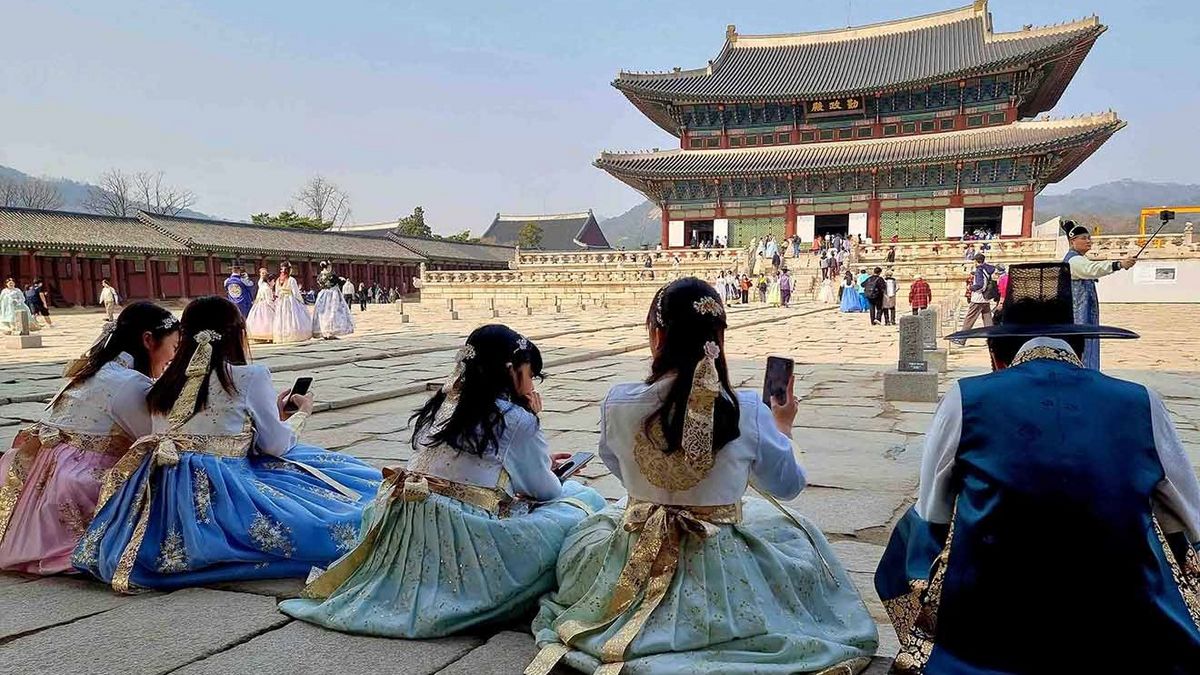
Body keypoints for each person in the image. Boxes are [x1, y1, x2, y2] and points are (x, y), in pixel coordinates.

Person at [529, 279, 877, 675]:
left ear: (657, 335)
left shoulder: (618, 402)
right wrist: (782, 428)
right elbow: (788, 486)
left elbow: (617, 467)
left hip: (636, 543)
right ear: (718, 339)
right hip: (720, 555)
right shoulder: (745, 409)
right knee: (799, 536)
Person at [875, 262, 1199, 674]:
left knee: (914, 530)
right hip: (1121, 621)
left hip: (993, 625)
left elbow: (932, 513)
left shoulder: (966, 398)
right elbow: (1189, 516)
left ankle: (936, 646)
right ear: (1079, 350)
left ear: (996, 354)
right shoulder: (1141, 401)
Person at [281, 326, 605, 636]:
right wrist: (535, 422)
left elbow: (472, 460)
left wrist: (533, 458)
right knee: (579, 501)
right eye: (528, 373)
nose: (532, 382)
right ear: (509, 370)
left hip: (407, 515)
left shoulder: (447, 400)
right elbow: (545, 489)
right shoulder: (515, 417)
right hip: (464, 528)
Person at [73, 296, 381, 593]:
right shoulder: (249, 376)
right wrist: (300, 415)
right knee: (327, 484)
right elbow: (274, 445)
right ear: (237, 335)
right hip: (223, 484)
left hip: (166, 488)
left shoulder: (162, 384)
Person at [0, 303, 180, 574]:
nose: (173, 357)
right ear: (148, 340)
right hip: (75, 481)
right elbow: (156, 439)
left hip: (40, 471)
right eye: (174, 348)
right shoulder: (131, 383)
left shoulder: (91, 370)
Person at [1062, 220, 1137, 370]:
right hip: (1078, 315)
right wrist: (1119, 265)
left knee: (1087, 344)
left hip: (1085, 313)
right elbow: (1093, 269)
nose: (1088, 241)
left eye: (1089, 238)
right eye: (1083, 238)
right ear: (1072, 241)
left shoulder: (1080, 259)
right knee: (1082, 346)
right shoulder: (1074, 261)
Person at [955, 253, 997, 342]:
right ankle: (992, 339)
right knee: (987, 319)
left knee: (969, 318)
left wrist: (970, 288)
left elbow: (980, 285)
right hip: (986, 298)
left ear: (976, 261)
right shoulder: (987, 269)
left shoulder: (979, 270)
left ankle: (961, 338)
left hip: (978, 298)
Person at [312, 261, 355, 340]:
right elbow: (338, 282)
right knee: (332, 313)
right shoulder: (331, 275)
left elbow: (319, 284)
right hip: (332, 295)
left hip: (322, 295)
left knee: (323, 314)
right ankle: (331, 331)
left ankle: (324, 331)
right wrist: (342, 280)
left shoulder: (319, 276)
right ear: (328, 267)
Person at [272, 264, 312, 343]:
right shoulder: (291, 280)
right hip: (290, 299)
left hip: (281, 300)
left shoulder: (278, 280)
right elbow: (296, 293)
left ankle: (282, 335)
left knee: (281, 317)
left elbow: (277, 292)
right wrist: (301, 301)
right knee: (292, 317)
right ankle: (293, 334)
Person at [246, 268, 276, 343]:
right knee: (267, 321)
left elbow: (260, 281)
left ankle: (259, 336)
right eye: (273, 281)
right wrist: (275, 308)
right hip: (265, 306)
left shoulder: (262, 285)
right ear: (269, 281)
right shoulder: (267, 288)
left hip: (258, 305)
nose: (274, 283)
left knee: (258, 321)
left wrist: (262, 275)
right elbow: (269, 301)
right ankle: (267, 336)